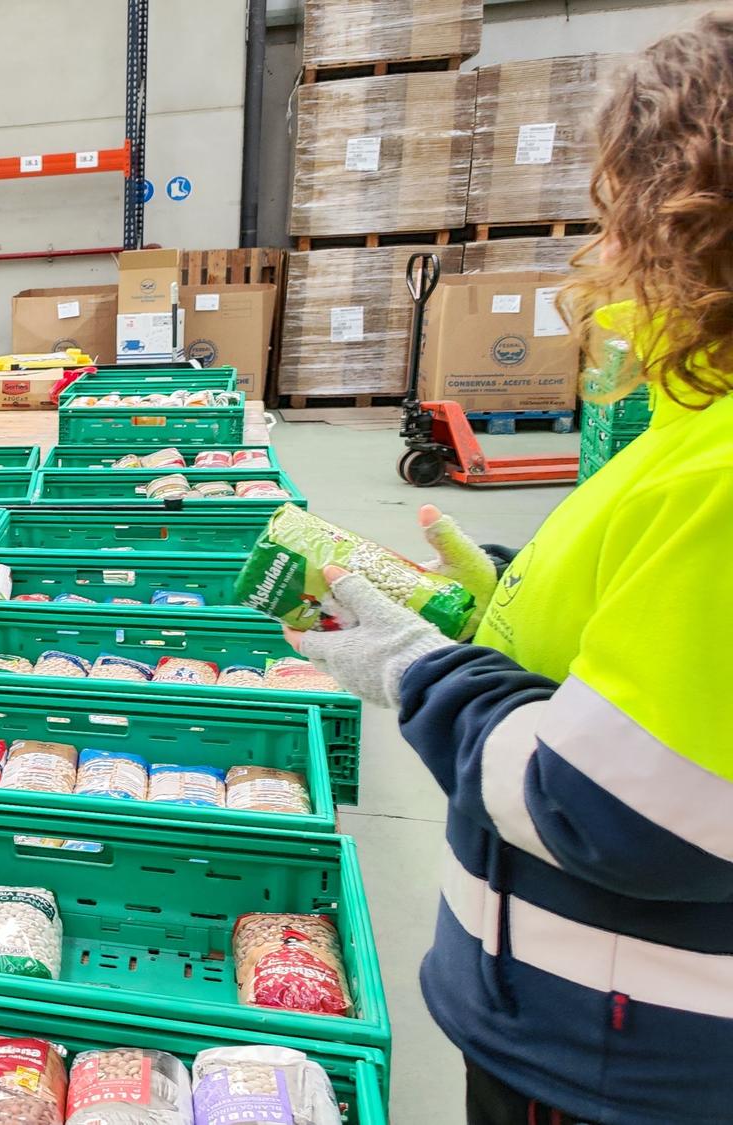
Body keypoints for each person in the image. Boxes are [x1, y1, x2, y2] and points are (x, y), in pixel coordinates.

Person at [289, 17, 733, 1124]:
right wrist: (500, 611)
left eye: (613, 203)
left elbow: (610, 809)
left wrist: (423, 670)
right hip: (599, 1029)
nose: (602, 240)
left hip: (619, 1061)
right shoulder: (695, 423)